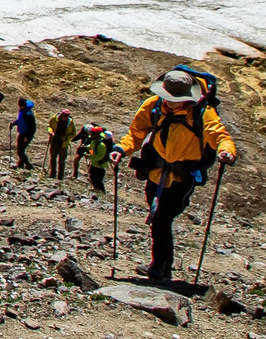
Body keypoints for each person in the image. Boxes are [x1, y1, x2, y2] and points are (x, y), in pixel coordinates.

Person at [112, 67, 238, 285]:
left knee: (162, 217)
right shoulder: (153, 106)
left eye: (175, 98)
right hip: (155, 172)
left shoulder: (202, 112)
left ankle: (160, 267)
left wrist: (226, 151)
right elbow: (136, 134)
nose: (170, 102)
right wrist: (121, 149)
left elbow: (218, 135)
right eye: (168, 97)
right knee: (158, 218)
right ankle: (160, 265)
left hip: (182, 177)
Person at [47, 109, 75, 178]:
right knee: (53, 158)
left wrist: (66, 137)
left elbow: (73, 133)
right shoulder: (54, 118)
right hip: (54, 141)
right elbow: (49, 126)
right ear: (62, 115)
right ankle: (52, 174)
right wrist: (50, 131)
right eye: (64, 116)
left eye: (67, 116)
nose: (65, 118)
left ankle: (60, 176)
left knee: (62, 161)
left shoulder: (70, 122)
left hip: (63, 144)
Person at [83, 122, 111, 192]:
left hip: (99, 165)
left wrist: (89, 156)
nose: (91, 135)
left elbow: (99, 156)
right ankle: (96, 190)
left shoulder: (101, 145)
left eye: (93, 133)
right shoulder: (94, 141)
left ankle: (101, 191)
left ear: (98, 134)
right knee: (93, 177)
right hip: (94, 164)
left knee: (98, 180)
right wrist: (86, 147)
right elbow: (92, 148)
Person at [13, 97, 37, 169]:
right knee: (20, 150)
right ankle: (20, 164)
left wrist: (28, 137)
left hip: (26, 135)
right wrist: (14, 123)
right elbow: (20, 120)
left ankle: (28, 165)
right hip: (21, 133)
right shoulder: (22, 111)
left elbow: (32, 128)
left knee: (20, 152)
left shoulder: (28, 114)